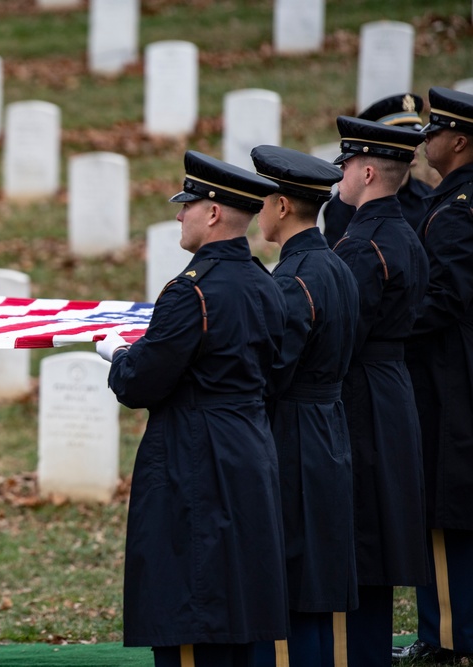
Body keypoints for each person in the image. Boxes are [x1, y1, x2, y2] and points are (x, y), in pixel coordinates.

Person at [96, 151, 288, 667]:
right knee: (241, 593)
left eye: (188, 205)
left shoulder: (192, 291)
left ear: (214, 213)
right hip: (249, 444)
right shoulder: (264, 284)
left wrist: (118, 354)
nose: (178, 215)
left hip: (193, 452)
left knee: (191, 597)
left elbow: (141, 382)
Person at [249, 146, 360, 667]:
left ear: (282, 205)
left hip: (293, 428)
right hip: (329, 424)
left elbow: (273, 369)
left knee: (291, 564)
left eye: (264, 200)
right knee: (320, 563)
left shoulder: (292, 279)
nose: (258, 211)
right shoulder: (333, 264)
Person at [328, 116, 430, 667]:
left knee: (358, 528)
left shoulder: (364, 245)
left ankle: (354, 655)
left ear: (367, 172)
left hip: (360, 391)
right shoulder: (403, 232)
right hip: (391, 387)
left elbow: (342, 332)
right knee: (375, 524)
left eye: (345, 165)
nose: (340, 173)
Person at [395, 86, 473, 664]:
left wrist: (382, 324)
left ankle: (446, 638)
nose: (425, 143)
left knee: (445, 509)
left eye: (434, 132)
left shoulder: (455, 210)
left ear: (460, 141)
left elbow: (444, 297)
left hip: (450, 383)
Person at [322, 93, 433, 247]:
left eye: (415, 136)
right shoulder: (346, 202)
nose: (413, 145)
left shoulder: (427, 197)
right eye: (402, 138)